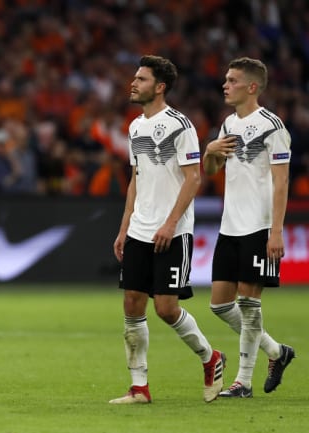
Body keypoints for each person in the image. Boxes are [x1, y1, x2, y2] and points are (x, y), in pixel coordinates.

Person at [110, 55, 225, 404]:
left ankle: (211, 358)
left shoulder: (180, 125)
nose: (133, 83)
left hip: (172, 232)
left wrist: (171, 222)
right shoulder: (134, 127)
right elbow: (136, 178)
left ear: (159, 87)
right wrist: (124, 226)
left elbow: (194, 178)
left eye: (141, 79)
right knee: (132, 304)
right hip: (139, 230)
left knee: (166, 308)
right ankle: (139, 387)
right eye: (134, 77)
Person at [202, 57, 295, 398]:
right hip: (230, 226)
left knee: (248, 303)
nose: (225, 85)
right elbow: (212, 170)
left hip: (259, 225)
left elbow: (281, 181)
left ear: (251, 87)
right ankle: (276, 351)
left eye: (232, 80)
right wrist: (210, 150)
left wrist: (276, 231)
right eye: (226, 79)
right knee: (219, 304)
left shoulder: (272, 125)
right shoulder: (228, 124)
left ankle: (243, 381)